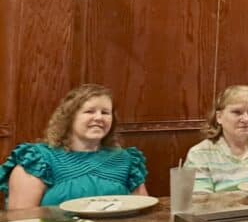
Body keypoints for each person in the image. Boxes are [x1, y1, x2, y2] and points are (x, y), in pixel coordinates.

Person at [0, 84, 148, 208]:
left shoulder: (126, 160)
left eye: (105, 112)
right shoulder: (37, 160)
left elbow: (142, 211)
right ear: (69, 118)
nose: (99, 118)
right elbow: (21, 221)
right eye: (89, 111)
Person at [185, 85, 248, 193]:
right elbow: (200, 200)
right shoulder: (199, 154)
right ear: (219, 117)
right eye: (237, 112)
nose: (246, 119)